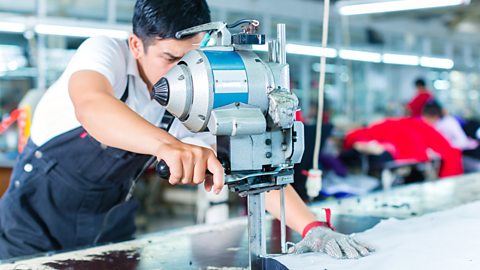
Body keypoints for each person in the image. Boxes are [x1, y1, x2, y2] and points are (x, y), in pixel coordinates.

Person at [0, 0, 373, 260]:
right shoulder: (104, 53)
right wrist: (168, 146)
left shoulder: (191, 93)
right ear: (136, 45)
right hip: (34, 220)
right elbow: (93, 107)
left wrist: (311, 229)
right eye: (170, 58)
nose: (183, 72)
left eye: (191, 59)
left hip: (110, 221)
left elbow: (250, 168)